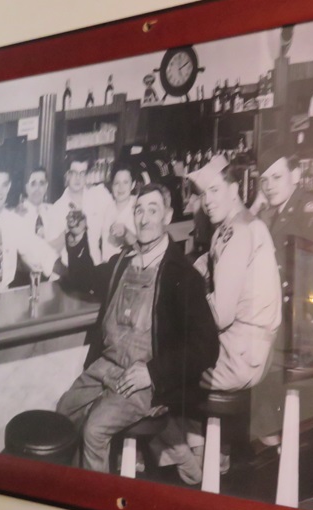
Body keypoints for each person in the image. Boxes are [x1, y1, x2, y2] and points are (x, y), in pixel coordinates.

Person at [56, 184, 219, 475]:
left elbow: (207, 346)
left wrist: (153, 372)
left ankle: (94, 500)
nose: (144, 219)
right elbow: (84, 277)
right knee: (65, 410)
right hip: (106, 365)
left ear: (167, 216)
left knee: (94, 429)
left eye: (153, 210)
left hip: (145, 380)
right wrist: (77, 237)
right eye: (139, 210)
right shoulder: (123, 262)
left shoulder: (182, 274)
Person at [150, 155, 282, 483]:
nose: (207, 201)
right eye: (202, 193)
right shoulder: (242, 225)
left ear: (234, 189)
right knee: (174, 358)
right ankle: (205, 452)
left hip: (238, 355)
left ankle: (189, 462)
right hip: (250, 349)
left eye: (214, 190)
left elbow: (221, 314)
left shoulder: (237, 232)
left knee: (154, 372)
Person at [251, 145, 313, 443]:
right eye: (264, 180)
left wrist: (310, 313)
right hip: (285, 317)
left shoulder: (309, 207)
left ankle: (282, 446)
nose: (269, 185)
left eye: (276, 177)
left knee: (272, 380)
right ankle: (276, 445)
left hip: (305, 322)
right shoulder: (275, 212)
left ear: (296, 175)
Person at [0, 163, 61, 293]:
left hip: (4, 294)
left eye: (4, 185)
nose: (0, 192)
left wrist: (67, 272)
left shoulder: (14, 221)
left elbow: (39, 249)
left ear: (9, 187)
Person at [45, 153, 115, 267]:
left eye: (82, 173)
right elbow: (50, 250)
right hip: (69, 269)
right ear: (67, 175)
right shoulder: (56, 209)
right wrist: (69, 232)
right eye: (74, 173)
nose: (78, 178)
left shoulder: (99, 196)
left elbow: (113, 223)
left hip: (96, 267)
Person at [101, 160, 139, 260]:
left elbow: (141, 245)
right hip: (108, 266)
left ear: (133, 184)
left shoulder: (138, 206)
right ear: (111, 185)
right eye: (117, 183)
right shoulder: (107, 208)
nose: (121, 187)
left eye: (125, 182)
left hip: (131, 265)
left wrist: (126, 233)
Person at [15, 166, 52, 239]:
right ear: (26, 187)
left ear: (46, 187)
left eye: (41, 183)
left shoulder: (53, 212)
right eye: (33, 184)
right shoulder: (17, 215)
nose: (37, 188)